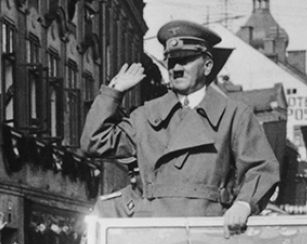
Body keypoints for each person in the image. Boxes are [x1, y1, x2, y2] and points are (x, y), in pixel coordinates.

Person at [80, 20, 279, 232]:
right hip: (153, 235)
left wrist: (244, 204)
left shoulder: (233, 115)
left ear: (207, 66)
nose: (176, 68)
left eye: (185, 60)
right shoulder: (146, 116)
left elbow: (262, 167)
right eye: (172, 61)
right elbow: (94, 142)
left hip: (209, 232)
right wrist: (113, 93)